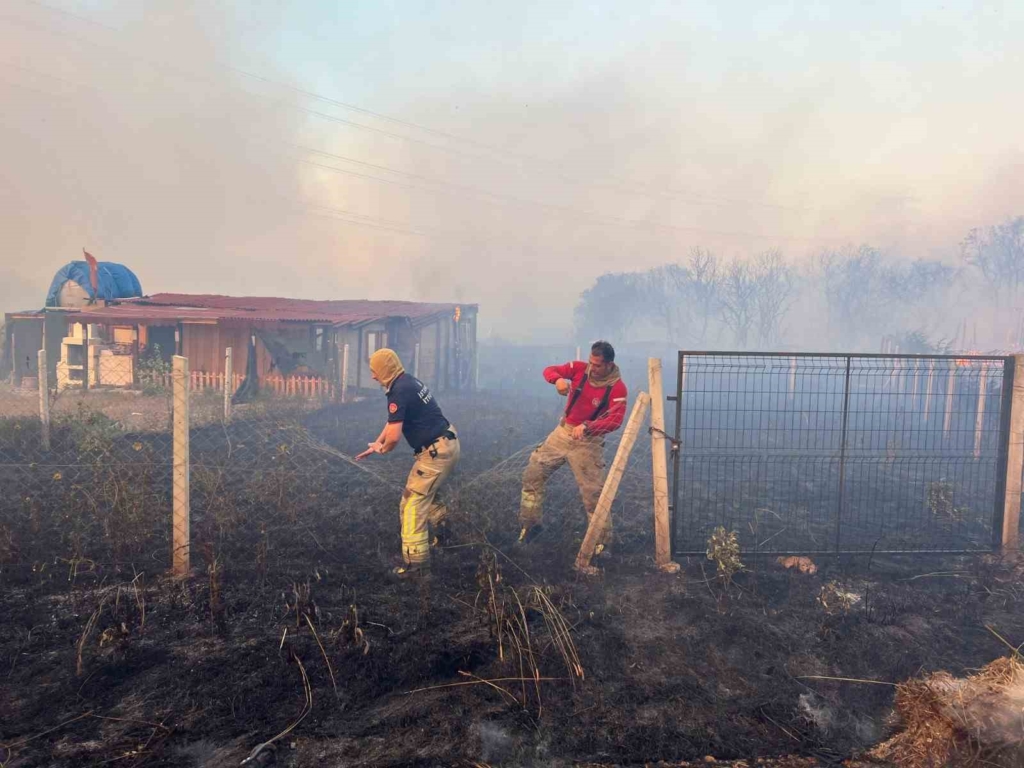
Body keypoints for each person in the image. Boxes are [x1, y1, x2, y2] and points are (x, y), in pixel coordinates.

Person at [356, 348, 460, 578]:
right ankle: (445, 540)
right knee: (430, 497)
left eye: (374, 370)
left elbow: (394, 437)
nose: (373, 376)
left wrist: (384, 448)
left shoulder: (398, 391)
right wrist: (378, 442)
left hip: (435, 452)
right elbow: (393, 422)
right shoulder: (408, 381)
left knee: (412, 504)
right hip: (447, 443)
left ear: (384, 369)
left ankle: (416, 566)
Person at [518, 340, 628, 554]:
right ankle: (530, 527)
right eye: (590, 362)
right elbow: (550, 370)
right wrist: (557, 380)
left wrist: (588, 426)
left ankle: (601, 543)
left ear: (609, 364)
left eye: (597, 365)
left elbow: (615, 421)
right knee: (532, 474)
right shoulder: (578, 369)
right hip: (561, 434)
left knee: (593, 495)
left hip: (588, 443)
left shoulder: (617, 388)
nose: (592, 368)